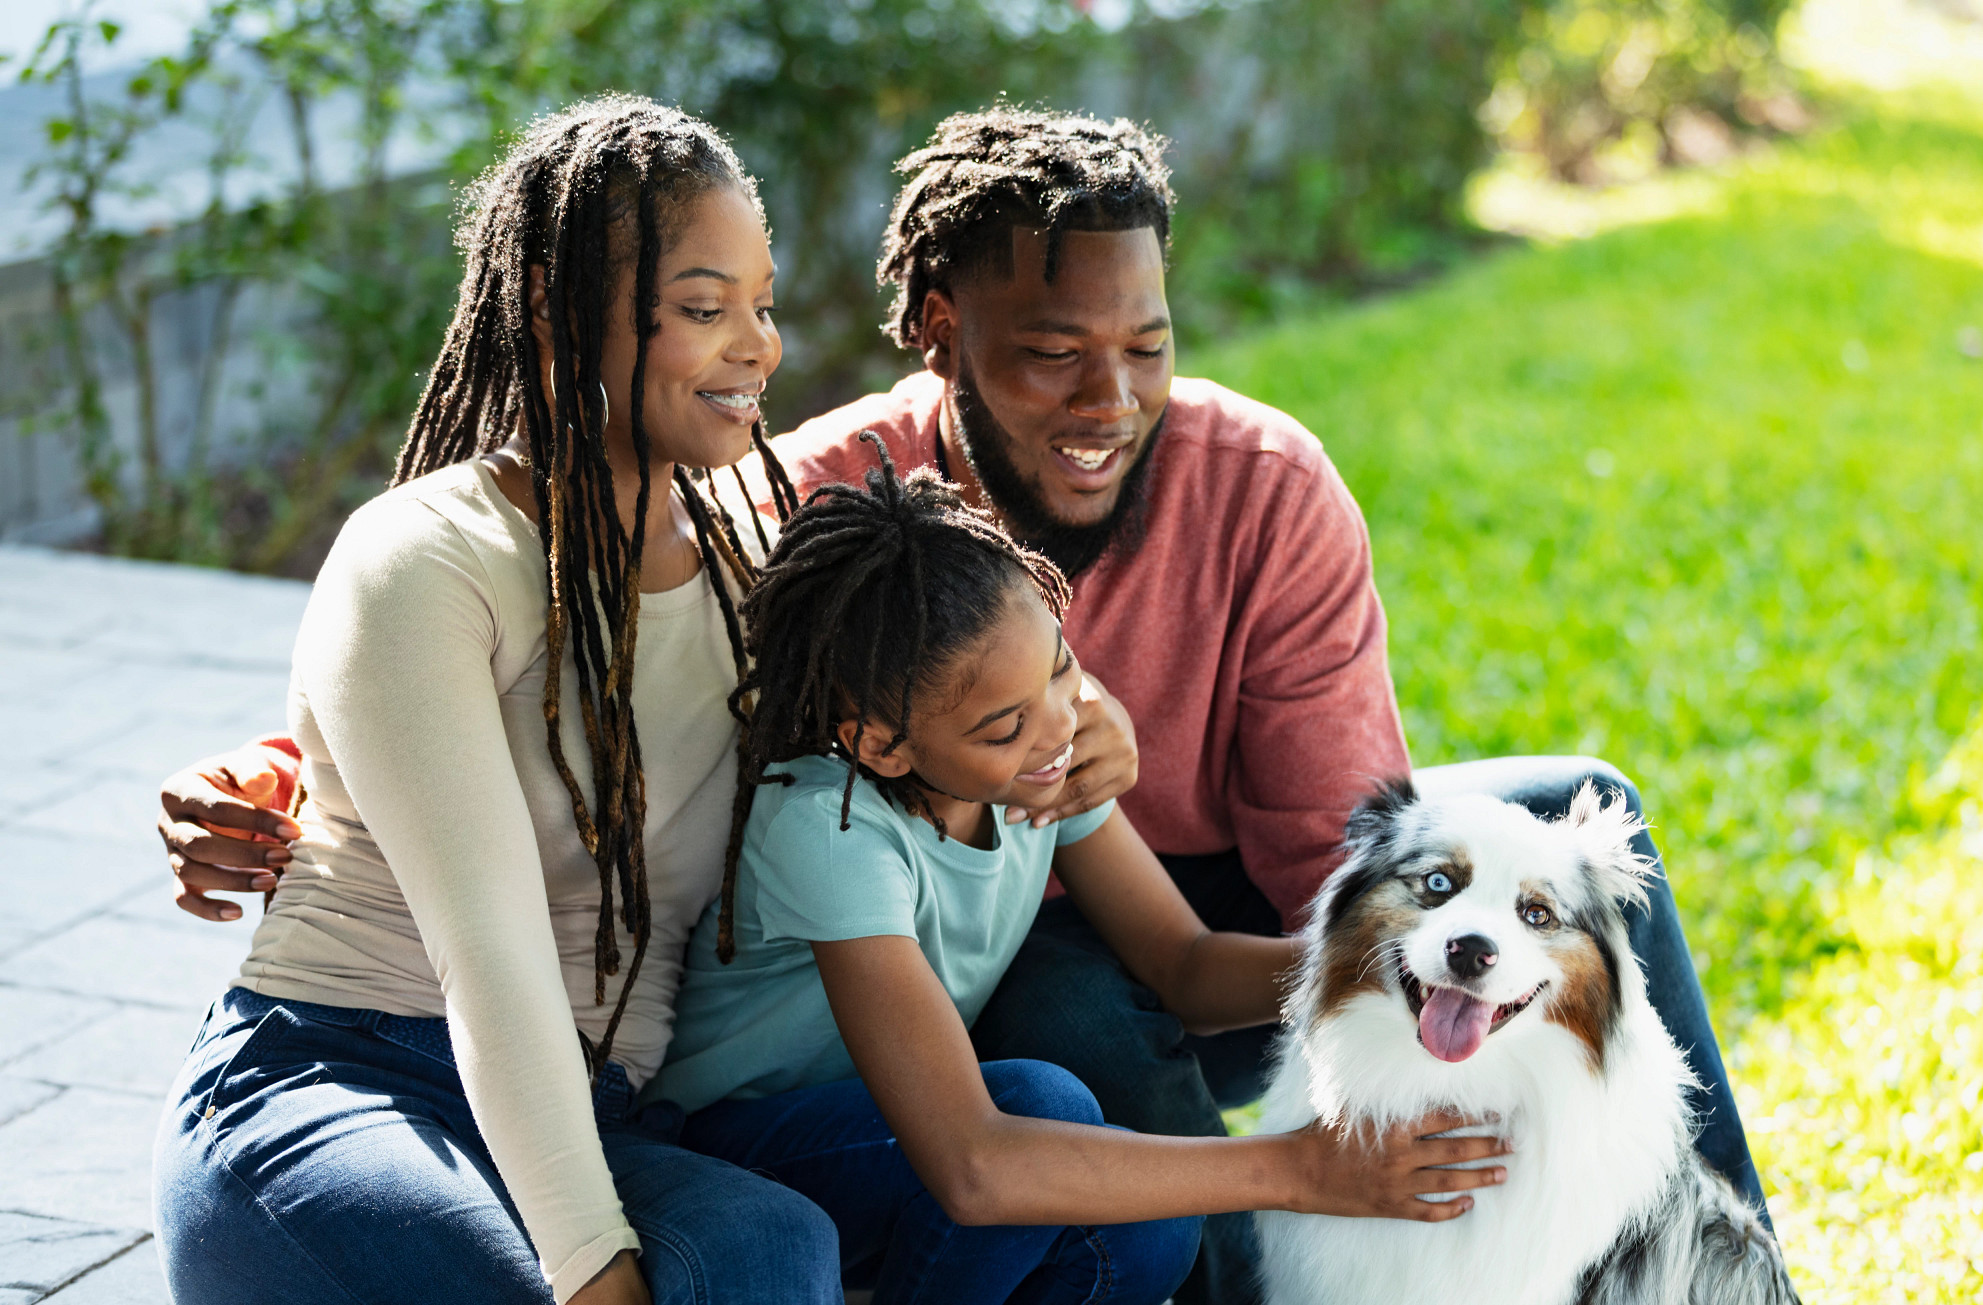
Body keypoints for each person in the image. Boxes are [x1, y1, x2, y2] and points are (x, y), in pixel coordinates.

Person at [157, 105, 1768, 1305]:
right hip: (407, 1053)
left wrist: (1479, 969)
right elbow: (484, 834)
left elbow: (1318, 875)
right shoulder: (777, 510)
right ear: (941, 337)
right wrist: (286, 765)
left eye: (760, 307)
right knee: (1008, 1082)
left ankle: (1719, 1256)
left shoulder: (787, 531)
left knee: (1575, 836)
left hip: (956, 945)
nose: (1108, 396)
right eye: (705, 308)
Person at [150, 97, 840, 1305]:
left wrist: (1073, 721)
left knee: (777, 1244)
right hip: (344, 1074)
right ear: (553, 306)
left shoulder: (751, 558)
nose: (757, 347)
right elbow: (492, 955)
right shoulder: (428, 556)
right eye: (701, 308)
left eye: (761, 304)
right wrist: (595, 1274)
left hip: (595, 1103)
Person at [632, 440, 1508, 1305]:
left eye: (1062, 668)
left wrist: (1383, 966)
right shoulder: (830, 823)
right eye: (1004, 725)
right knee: (1039, 1107)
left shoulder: (1039, 771)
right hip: (732, 1148)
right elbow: (975, 1166)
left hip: (903, 1131)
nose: (1058, 727)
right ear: (882, 744)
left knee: (1148, 1226)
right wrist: (1302, 1169)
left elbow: (1184, 967)